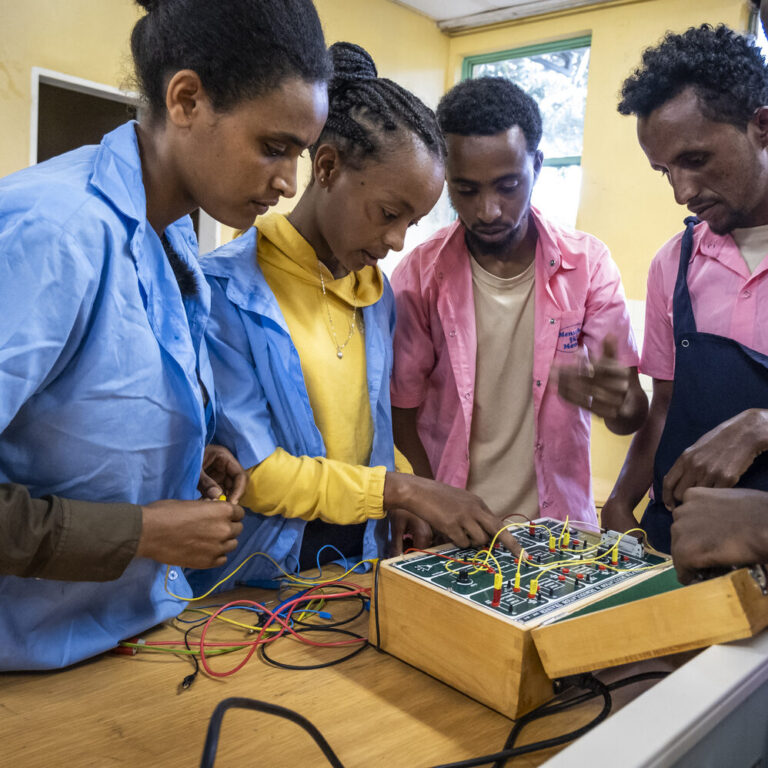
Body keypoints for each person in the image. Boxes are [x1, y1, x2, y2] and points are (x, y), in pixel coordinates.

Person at [0, 0, 330, 670]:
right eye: (274, 147)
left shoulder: (171, 233)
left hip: (129, 633)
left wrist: (181, 452)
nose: (288, 183)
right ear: (186, 100)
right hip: (26, 660)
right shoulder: (57, 233)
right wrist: (143, 532)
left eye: (299, 154)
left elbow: (85, 410)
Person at [195, 43, 518, 594]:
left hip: (356, 564)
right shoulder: (227, 290)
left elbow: (371, 436)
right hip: (256, 577)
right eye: (388, 214)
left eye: (411, 223)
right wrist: (402, 490)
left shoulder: (375, 295)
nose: (396, 241)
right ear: (326, 167)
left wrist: (404, 489)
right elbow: (256, 473)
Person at [389, 77, 646, 536]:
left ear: (537, 166)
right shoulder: (419, 276)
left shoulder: (588, 265)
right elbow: (402, 412)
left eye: (508, 186)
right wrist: (432, 503)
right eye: (466, 190)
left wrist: (617, 402)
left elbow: (630, 414)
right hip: (454, 532)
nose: (488, 210)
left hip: (560, 530)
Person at [603, 23, 768, 556]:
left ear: (762, 128)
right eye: (664, 171)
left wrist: (760, 425)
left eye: (696, 160)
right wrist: (621, 498)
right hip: (677, 545)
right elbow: (666, 404)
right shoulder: (673, 264)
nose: (682, 192)